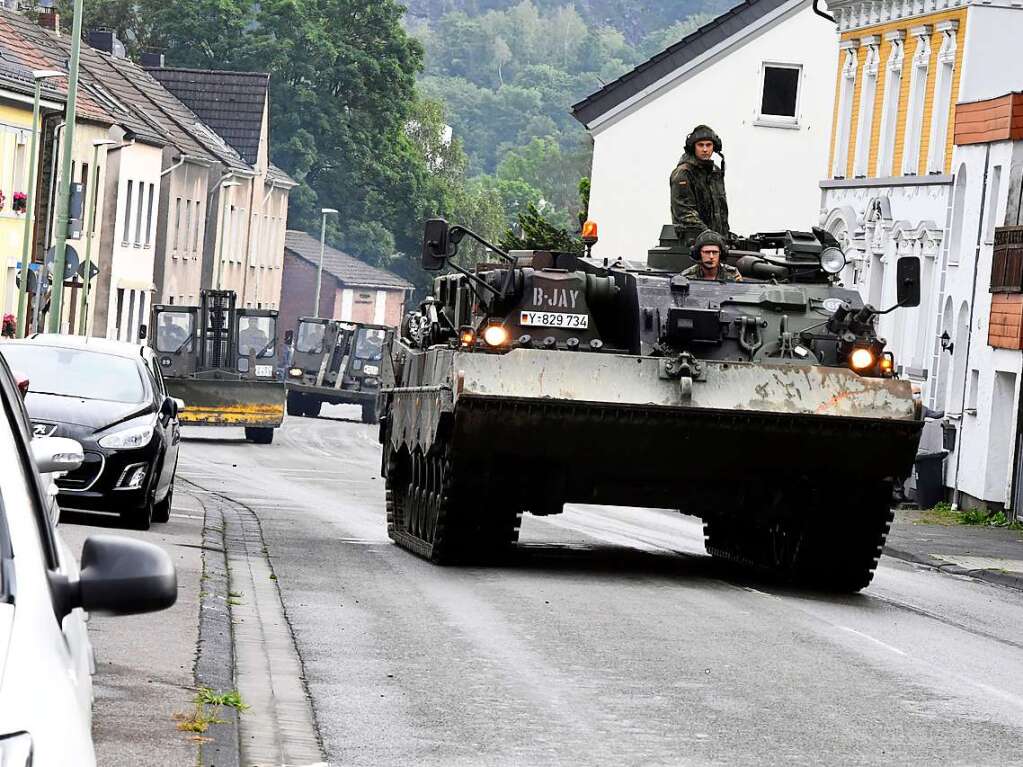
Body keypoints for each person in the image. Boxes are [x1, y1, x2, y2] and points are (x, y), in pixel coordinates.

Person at [670, 124, 730, 249]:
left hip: (715, 244)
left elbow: (721, 210)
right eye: (700, 145)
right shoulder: (684, 173)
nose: (705, 149)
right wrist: (710, 236)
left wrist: (725, 236)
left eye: (708, 145)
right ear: (693, 147)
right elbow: (684, 213)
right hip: (693, 243)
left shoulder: (715, 172)